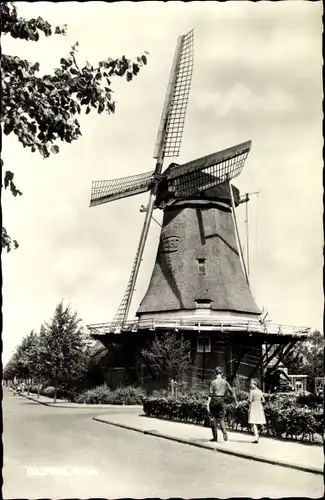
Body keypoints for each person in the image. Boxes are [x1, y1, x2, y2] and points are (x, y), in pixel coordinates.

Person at [206, 366, 238, 442]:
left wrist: (207, 404)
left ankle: (215, 437)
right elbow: (232, 392)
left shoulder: (213, 382)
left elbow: (210, 394)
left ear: (215, 373)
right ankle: (224, 431)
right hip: (221, 400)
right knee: (221, 418)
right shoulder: (225, 382)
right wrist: (236, 401)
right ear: (222, 373)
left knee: (213, 418)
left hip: (214, 400)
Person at [248, 378, 266, 443]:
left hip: (253, 406)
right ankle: (257, 435)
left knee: (253, 422)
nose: (251, 385)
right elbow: (263, 400)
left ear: (255, 384)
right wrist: (259, 401)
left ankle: (256, 437)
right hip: (259, 406)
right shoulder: (260, 391)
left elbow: (250, 400)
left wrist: (252, 401)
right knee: (257, 421)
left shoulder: (252, 391)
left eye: (251, 384)